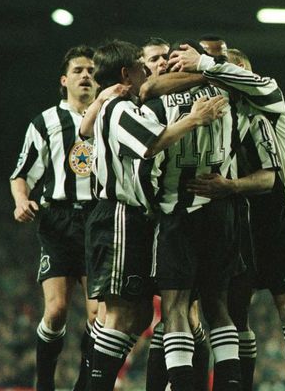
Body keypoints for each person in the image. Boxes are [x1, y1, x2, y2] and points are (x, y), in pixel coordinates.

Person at [165, 45, 285, 391]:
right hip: (233, 214)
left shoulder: (266, 106)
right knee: (236, 310)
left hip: (276, 211)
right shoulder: (215, 115)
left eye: (232, 70)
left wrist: (229, 185)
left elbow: (272, 179)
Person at [86, 39, 225, 391]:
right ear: (126, 72)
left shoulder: (126, 104)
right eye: (141, 64)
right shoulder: (118, 108)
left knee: (140, 315)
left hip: (138, 218)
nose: (147, 69)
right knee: (120, 315)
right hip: (119, 215)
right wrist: (195, 119)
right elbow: (151, 143)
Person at [9, 45, 101, 391]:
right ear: (64, 80)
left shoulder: (110, 117)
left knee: (98, 316)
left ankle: (84, 385)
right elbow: (21, 174)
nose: (86, 75)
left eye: (91, 71)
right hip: (58, 220)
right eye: (78, 70)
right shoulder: (45, 122)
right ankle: (44, 383)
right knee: (57, 310)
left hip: (98, 220)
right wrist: (21, 201)